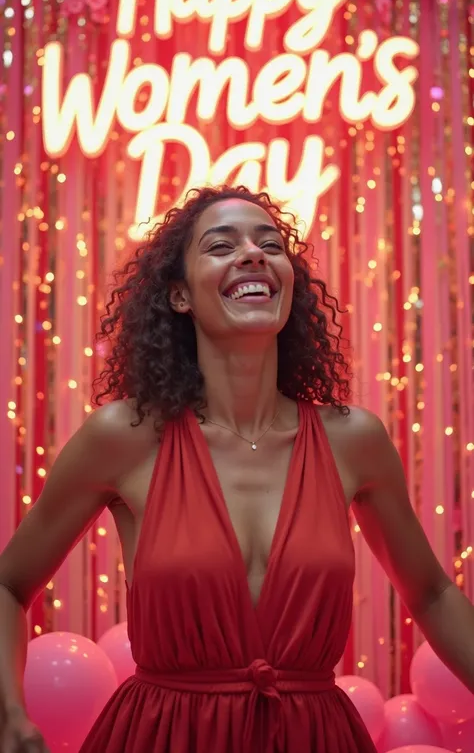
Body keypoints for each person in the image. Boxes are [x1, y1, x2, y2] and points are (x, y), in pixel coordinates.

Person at [0, 185, 473, 753]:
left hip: (313, 738)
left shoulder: (355, 439)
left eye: (269, 244)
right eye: (221, 246)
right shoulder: (123, 436)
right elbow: (8, 584)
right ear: (179, 296)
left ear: (288, 285)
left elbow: (432, 594)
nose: (252, 254)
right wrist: (9, 715)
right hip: (165, 737)